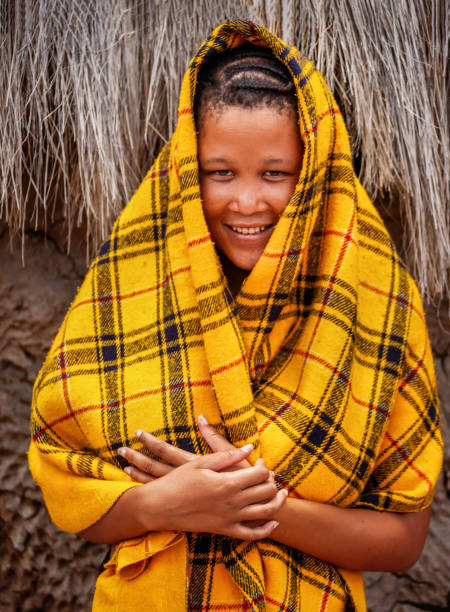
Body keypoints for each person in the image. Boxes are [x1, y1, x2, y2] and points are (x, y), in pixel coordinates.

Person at [29, 20, 442, 611]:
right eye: (219, 172)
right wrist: (165, 505)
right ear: (188, 168)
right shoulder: (132, 280)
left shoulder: (376, 297)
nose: (246, 203)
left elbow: (403, 540)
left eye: (276, 173)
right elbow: (70, 493)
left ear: (314, 172)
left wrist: (253, 504)